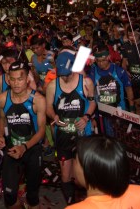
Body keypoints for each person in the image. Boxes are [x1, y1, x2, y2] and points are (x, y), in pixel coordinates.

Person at [45, 48, 96, 204]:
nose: (65, 78)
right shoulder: (53, 86)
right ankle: (71, 204)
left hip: (83, 134)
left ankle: (88, 204)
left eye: (67, 74)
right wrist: (54, 116)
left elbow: (93, 103)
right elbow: (48, 107)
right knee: (66, 175)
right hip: (63, 135)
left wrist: (86, 117)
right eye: (62, 75)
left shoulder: (86, 82)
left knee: (83, 175)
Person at [0, 61, 47, 209]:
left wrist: (24, 147)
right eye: (13, 79)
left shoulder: (38, 100)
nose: (16, 83)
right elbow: (2, 119)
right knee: (9, 195)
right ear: (8, 80)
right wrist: (0, 136)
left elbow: (42, 131)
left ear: (27, 79)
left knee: (32, 195)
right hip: (12, 148)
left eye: (20, 79)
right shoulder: (2, 99)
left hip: (32, 148)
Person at [89, 44, 134, 137]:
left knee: (120, 138)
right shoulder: (93, 72)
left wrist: (132, 108)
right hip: (101, 114)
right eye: (98, 61)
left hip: (119, 112)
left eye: (103, 60)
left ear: (109, 57)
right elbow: (89, 95)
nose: (100, 63)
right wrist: (91, 116)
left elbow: (128, 89)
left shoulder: (119, 71)